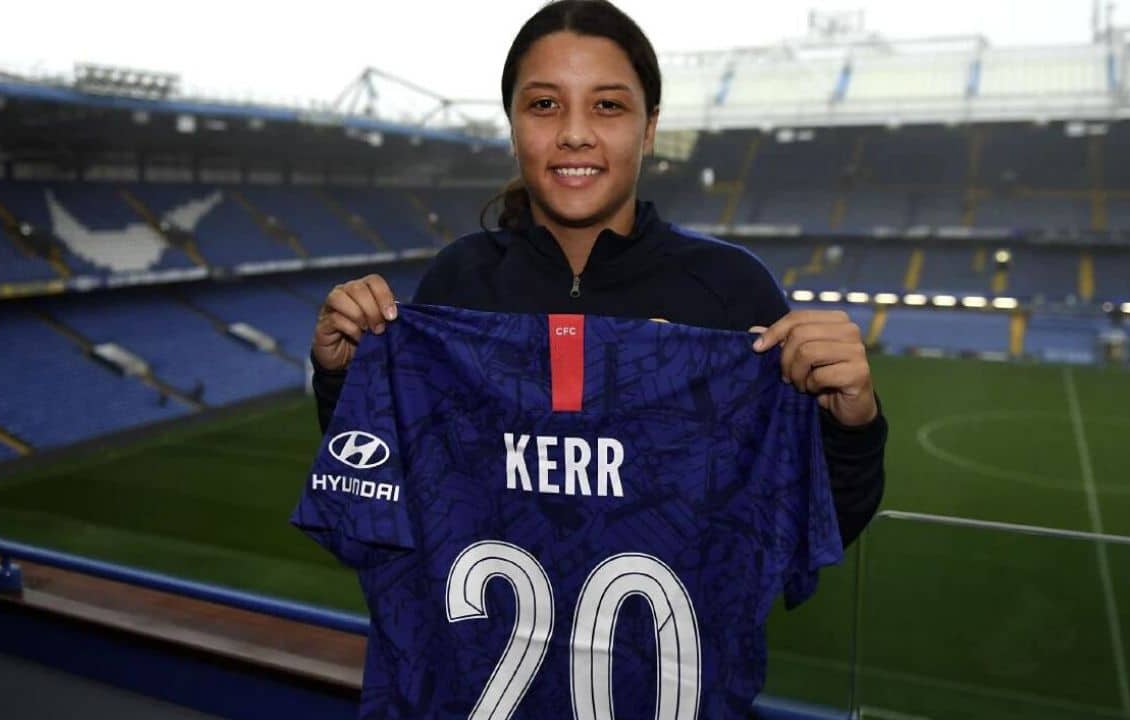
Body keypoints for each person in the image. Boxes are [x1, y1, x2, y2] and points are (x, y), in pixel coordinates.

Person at [308, 0, 884, 548]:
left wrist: (850, 427)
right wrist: (345, 380)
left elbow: (808, 528)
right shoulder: (458, 281)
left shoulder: (732, 288)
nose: (575, 132)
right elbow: (387, 500)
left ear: (649, 128)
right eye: (544, 104)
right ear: (512, 127)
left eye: (607, 105)